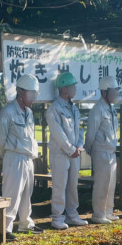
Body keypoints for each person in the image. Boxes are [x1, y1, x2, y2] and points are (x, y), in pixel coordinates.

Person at [0, 74, 42, 241]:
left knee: (27, 194)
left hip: (28, 157)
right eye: (31, 93)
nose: (34, 97)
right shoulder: (8, 112)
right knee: (11, 194)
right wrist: (6, 157)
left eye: (35, 93)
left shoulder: (29, 112)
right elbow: (0, 140)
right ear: (21, 92)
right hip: (13, 157)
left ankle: (25, 223)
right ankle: (4, 229)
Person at [47, 71, 87, 230]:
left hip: (74, 153)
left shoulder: (74, 108)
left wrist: (79, 146)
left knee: (72, 186)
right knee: (59, 186)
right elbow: (58, 133)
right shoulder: (54, 109)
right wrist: (71, 149)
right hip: (60, 154)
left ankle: (72, 215)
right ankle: (57, 217)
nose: (74, 89)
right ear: (63, 88)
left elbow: (80, 130)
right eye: (72, 86)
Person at [84, 76, 120, 224]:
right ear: (104, 92)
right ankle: (98, 214)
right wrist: (90, 149)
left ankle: (108, 211)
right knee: (101, 184)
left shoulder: (111, 108)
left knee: (110, 184)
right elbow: (91, 133)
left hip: (110, 151)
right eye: (113, 91)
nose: (116, 94)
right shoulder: (97, 109)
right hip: (100, 151)